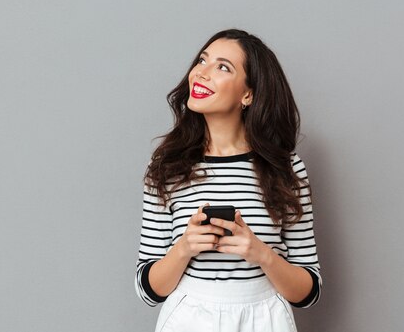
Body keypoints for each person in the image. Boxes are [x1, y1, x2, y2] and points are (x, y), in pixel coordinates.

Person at [134, 28, 322, 332]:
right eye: (203, 60)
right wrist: (184, 248)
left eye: (223, 67)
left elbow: (309, 292)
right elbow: (147, 289)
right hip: (189, 319)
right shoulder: (166, 167)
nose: (202, 73)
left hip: (265, 320)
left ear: (248, 94)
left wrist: (260, 253)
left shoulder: (287, 168)